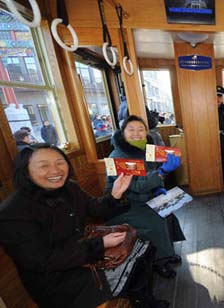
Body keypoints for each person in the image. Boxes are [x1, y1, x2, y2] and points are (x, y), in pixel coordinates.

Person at [0, 144, 169, 308]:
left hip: (83, 253)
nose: (55, 170)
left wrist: (115, 194)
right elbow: (42, 261)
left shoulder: (69, 188)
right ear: (26, 172)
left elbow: (95, 208)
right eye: (44, 166)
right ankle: (139, 299)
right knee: (135, 265)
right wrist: (100, 245)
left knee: (144, 247)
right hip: (59, 282)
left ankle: (143, 300)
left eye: (60, 162)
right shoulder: (13, 212)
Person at [104, 115, 185, 279]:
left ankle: (167, 251)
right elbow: (136, 185)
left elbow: (152, 175)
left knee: (168, 211)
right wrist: (162, 172)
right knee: (155, 220)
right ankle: (159, 261)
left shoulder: (147, 150)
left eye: (141, 129)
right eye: (131, 130)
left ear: (146, 132)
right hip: (123, 205)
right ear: (122, 133)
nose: (136, 134)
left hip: (144, 198)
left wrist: (158, 189)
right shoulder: (116, 156)